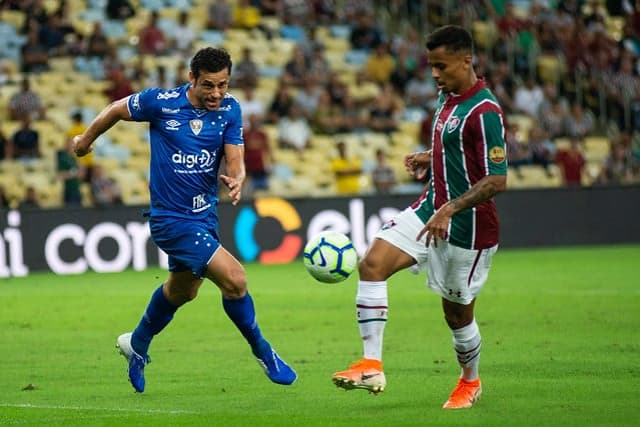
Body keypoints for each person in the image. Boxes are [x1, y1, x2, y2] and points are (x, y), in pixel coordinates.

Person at [73, 47, 297, 393]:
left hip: (204, 216)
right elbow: (117, 108)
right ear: (191, 78)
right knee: (235, 279)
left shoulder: (230, 110)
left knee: (182, 291)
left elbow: (235, 157)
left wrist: (237, 177)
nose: (217, 93)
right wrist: (85, 141)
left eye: (223, 84)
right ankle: (264, 351)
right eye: (209, 85)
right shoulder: (161, 103)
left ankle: (137, 343)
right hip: (170, 220)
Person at [331, 25, 508, 410]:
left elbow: (497, 179)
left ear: (466, 60)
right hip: (431, 208)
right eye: (431, 66)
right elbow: (458, 150)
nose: (434, 74)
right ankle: (371, 364)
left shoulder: (485, 112)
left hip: (470, 227)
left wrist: (452, 207)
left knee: (457, 313)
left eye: (441, 66)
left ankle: (470, 381)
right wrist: (431, 159)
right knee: (372, 263)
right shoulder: (446, 98)